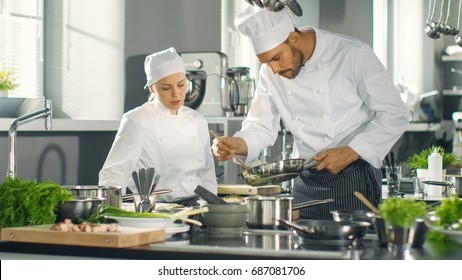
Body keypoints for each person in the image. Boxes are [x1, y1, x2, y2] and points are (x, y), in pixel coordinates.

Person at [211, 6, 410, 219]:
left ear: (294, 38)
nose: (274, 69)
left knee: (352, 248)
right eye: (267, 62)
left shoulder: (353, 54)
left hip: (354, 176)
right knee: (301, 247)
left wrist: (351, 151)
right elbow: (261, 124)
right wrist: (239, 144)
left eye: (277, 58)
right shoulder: (269, 73)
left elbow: (394, 113)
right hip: (305, 180)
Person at [99, 47, 217, 206]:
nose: (176, 94)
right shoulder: (137, 120)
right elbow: (114, 173)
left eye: (181, 85)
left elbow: (207, 174)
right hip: (155, 209)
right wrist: (111, 212)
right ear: (152, 88)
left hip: (196, 209)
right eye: (166, 88)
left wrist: (212, 209)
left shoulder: (198, 121)